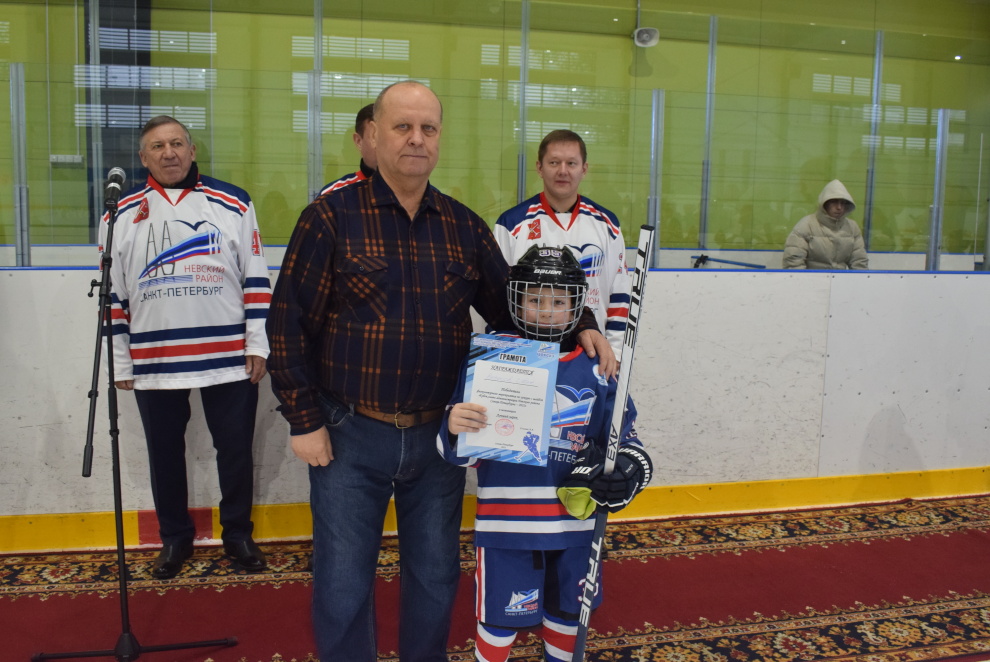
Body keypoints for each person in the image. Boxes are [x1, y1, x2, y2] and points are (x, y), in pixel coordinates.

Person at [265, 81, 615, 661]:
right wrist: (304, 420)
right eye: (402, 127)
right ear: (373, 134)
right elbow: (287, 325)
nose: (416, 139)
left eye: (428, 128)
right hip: (350, 433)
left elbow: (516, 306)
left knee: (433, 575)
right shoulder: (329, 219)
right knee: (343, 580)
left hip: (441, 437)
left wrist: (581, 323)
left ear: (439, 138)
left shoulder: (463, 226)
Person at [437, 245, 652, 662]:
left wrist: (626, 470)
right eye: (535, 299)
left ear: (577, 305)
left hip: (576, 528)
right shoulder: (489, 360)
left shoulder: (598, 367)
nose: (547, 311)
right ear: (516, 301)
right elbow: (455, 454)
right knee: (498, 623)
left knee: (568, 617)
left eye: (558, 302)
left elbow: (629, 442)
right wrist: (453, 426)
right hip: (506, 529)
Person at [98, 115, 271, 579]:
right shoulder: (118, 214)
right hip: (155, 360)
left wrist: (258, 343)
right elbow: (113, 295)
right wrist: (121, 361)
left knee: (235, 451)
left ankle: (238, 534)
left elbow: (256, 277)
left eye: (177, 143)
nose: (169, 152)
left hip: (228, 357)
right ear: (144, 157)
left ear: (192, 151)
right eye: (158, 146)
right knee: (164, 455)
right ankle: (175, 539)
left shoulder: (233, 202)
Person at [495, 129, 631, 355]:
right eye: (554, 162)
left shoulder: (607, 224)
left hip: (591, 354)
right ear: (539, 168)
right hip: (527, 356)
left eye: (571, 163)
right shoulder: (511, 224)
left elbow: (620, 294)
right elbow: (498, 300)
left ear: (584, 169)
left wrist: (615, 353)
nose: (563, 171)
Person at [783, 179, 869, 269]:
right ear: (824, 203)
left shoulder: (852, 227)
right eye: (834, 202)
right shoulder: (806, 225)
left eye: (843, 203)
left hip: (840, 278)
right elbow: (793, 262)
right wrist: (807, 278)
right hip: (810, 277)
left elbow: (859, 262)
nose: (839, 207)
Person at [318, 103, 376, 196]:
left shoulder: (403, 191)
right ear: (359, 141)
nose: (385, 144)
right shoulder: (333, 196)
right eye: (375, 137)